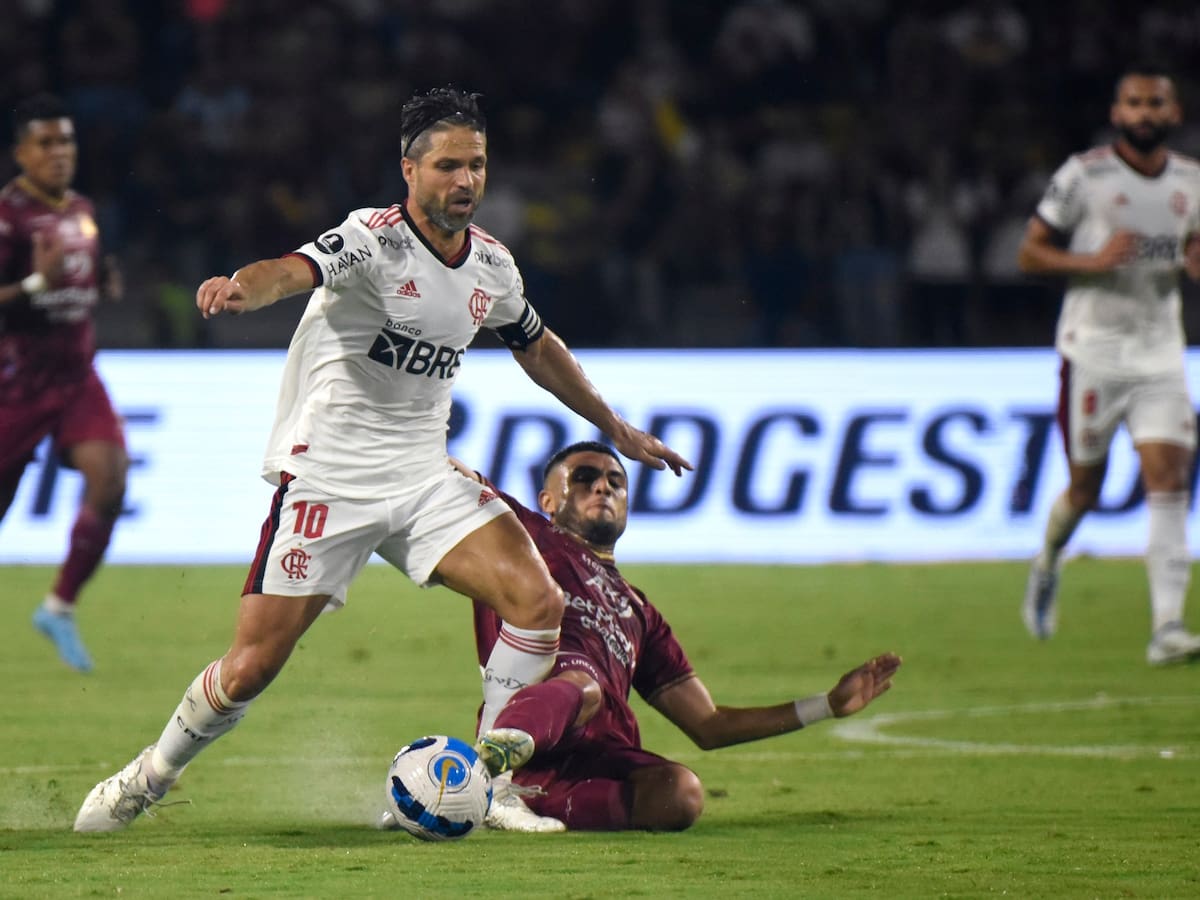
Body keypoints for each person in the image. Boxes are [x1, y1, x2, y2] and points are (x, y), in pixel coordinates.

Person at [73, 87, 691, 832]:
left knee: (539, 602)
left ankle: (494, 786)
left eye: (478, 166)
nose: (465, 181)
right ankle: (149, 774)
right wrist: (242, 289)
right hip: (331, 477)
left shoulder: (491, 265)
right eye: (448, 166)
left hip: (424, 474)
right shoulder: (373, 238)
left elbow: (537, 346)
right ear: (409, 169)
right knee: (250, 667)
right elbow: (290, 268)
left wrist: (614, 425)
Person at [452, 442, 901, 832]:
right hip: (535, 730)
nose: (603, 487)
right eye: (584, 478)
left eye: (615, 481)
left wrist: (826, 705)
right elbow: (455, 475)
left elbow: (707, 724)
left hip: (600, 759)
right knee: (583, 684)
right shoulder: (525, 535)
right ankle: (488, 774)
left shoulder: (640, 611)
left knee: (680, 794)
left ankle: (524, 804)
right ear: (548, 500)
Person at [1019, 64, 1200, 665]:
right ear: (1117, 113)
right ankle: (1047, 562)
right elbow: (1030, 252)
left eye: (1156, 103)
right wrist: (1093, 261)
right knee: (1085, 490)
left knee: (1170, 480)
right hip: (1092, 353)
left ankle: (1167, 627)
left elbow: (1193, 246)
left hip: (1159, 356)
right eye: (1134, 103)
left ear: (1172, 114)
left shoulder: (1192, 181)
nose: (1145, 113)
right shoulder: (1085, 175)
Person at [0, 93, 127, 674]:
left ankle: (58, 606)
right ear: (20, 152)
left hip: (78, 378)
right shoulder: (7, 216)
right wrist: (33, 284)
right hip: (17, 380)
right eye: (46, 142)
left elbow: (88, 272)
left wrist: (105, 278)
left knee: (110, 479)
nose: (59, 152)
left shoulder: (81, 208)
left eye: (67, 141)